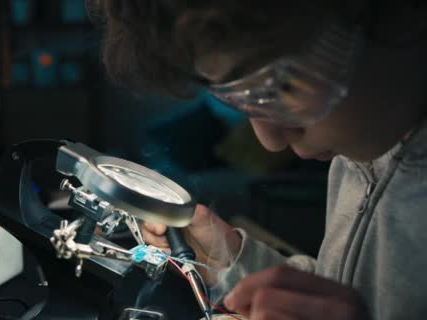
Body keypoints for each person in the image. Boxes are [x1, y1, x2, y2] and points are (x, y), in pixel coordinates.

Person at [89, 1, 427, 319]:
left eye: (281, 86)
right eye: (243, 101)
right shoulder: (361, 155)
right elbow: (344, 295)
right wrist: (230, 260)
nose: (270, 140)